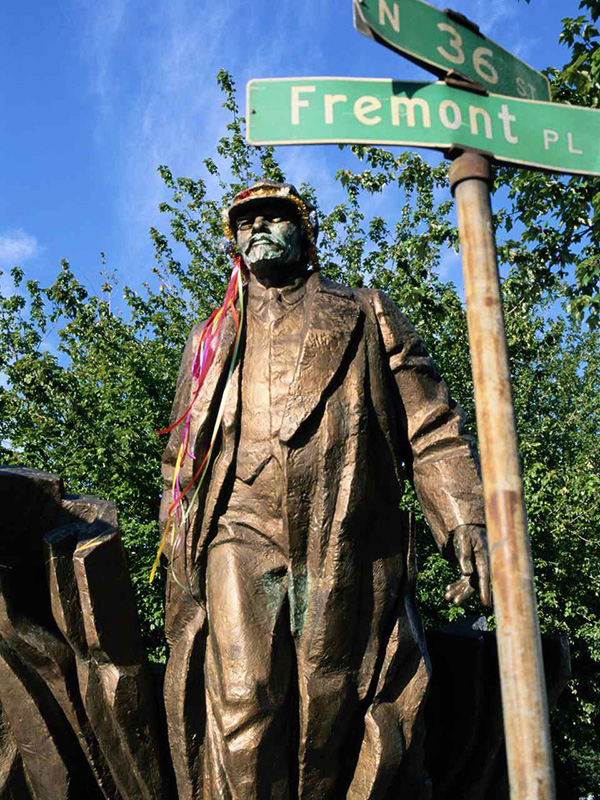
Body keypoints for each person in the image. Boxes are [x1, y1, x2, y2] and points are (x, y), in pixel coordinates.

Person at [159, 180, 490, 800]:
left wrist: (464, 519)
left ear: (305, 231)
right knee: (245, 696)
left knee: (330, 700)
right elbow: (181, 460)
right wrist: (179, 555)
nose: (257, 228)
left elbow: (430, 425)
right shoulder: (209, 339)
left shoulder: (364, 312)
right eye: (245, 222)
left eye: (273, 217)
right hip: (238, 528)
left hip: (339, 528)